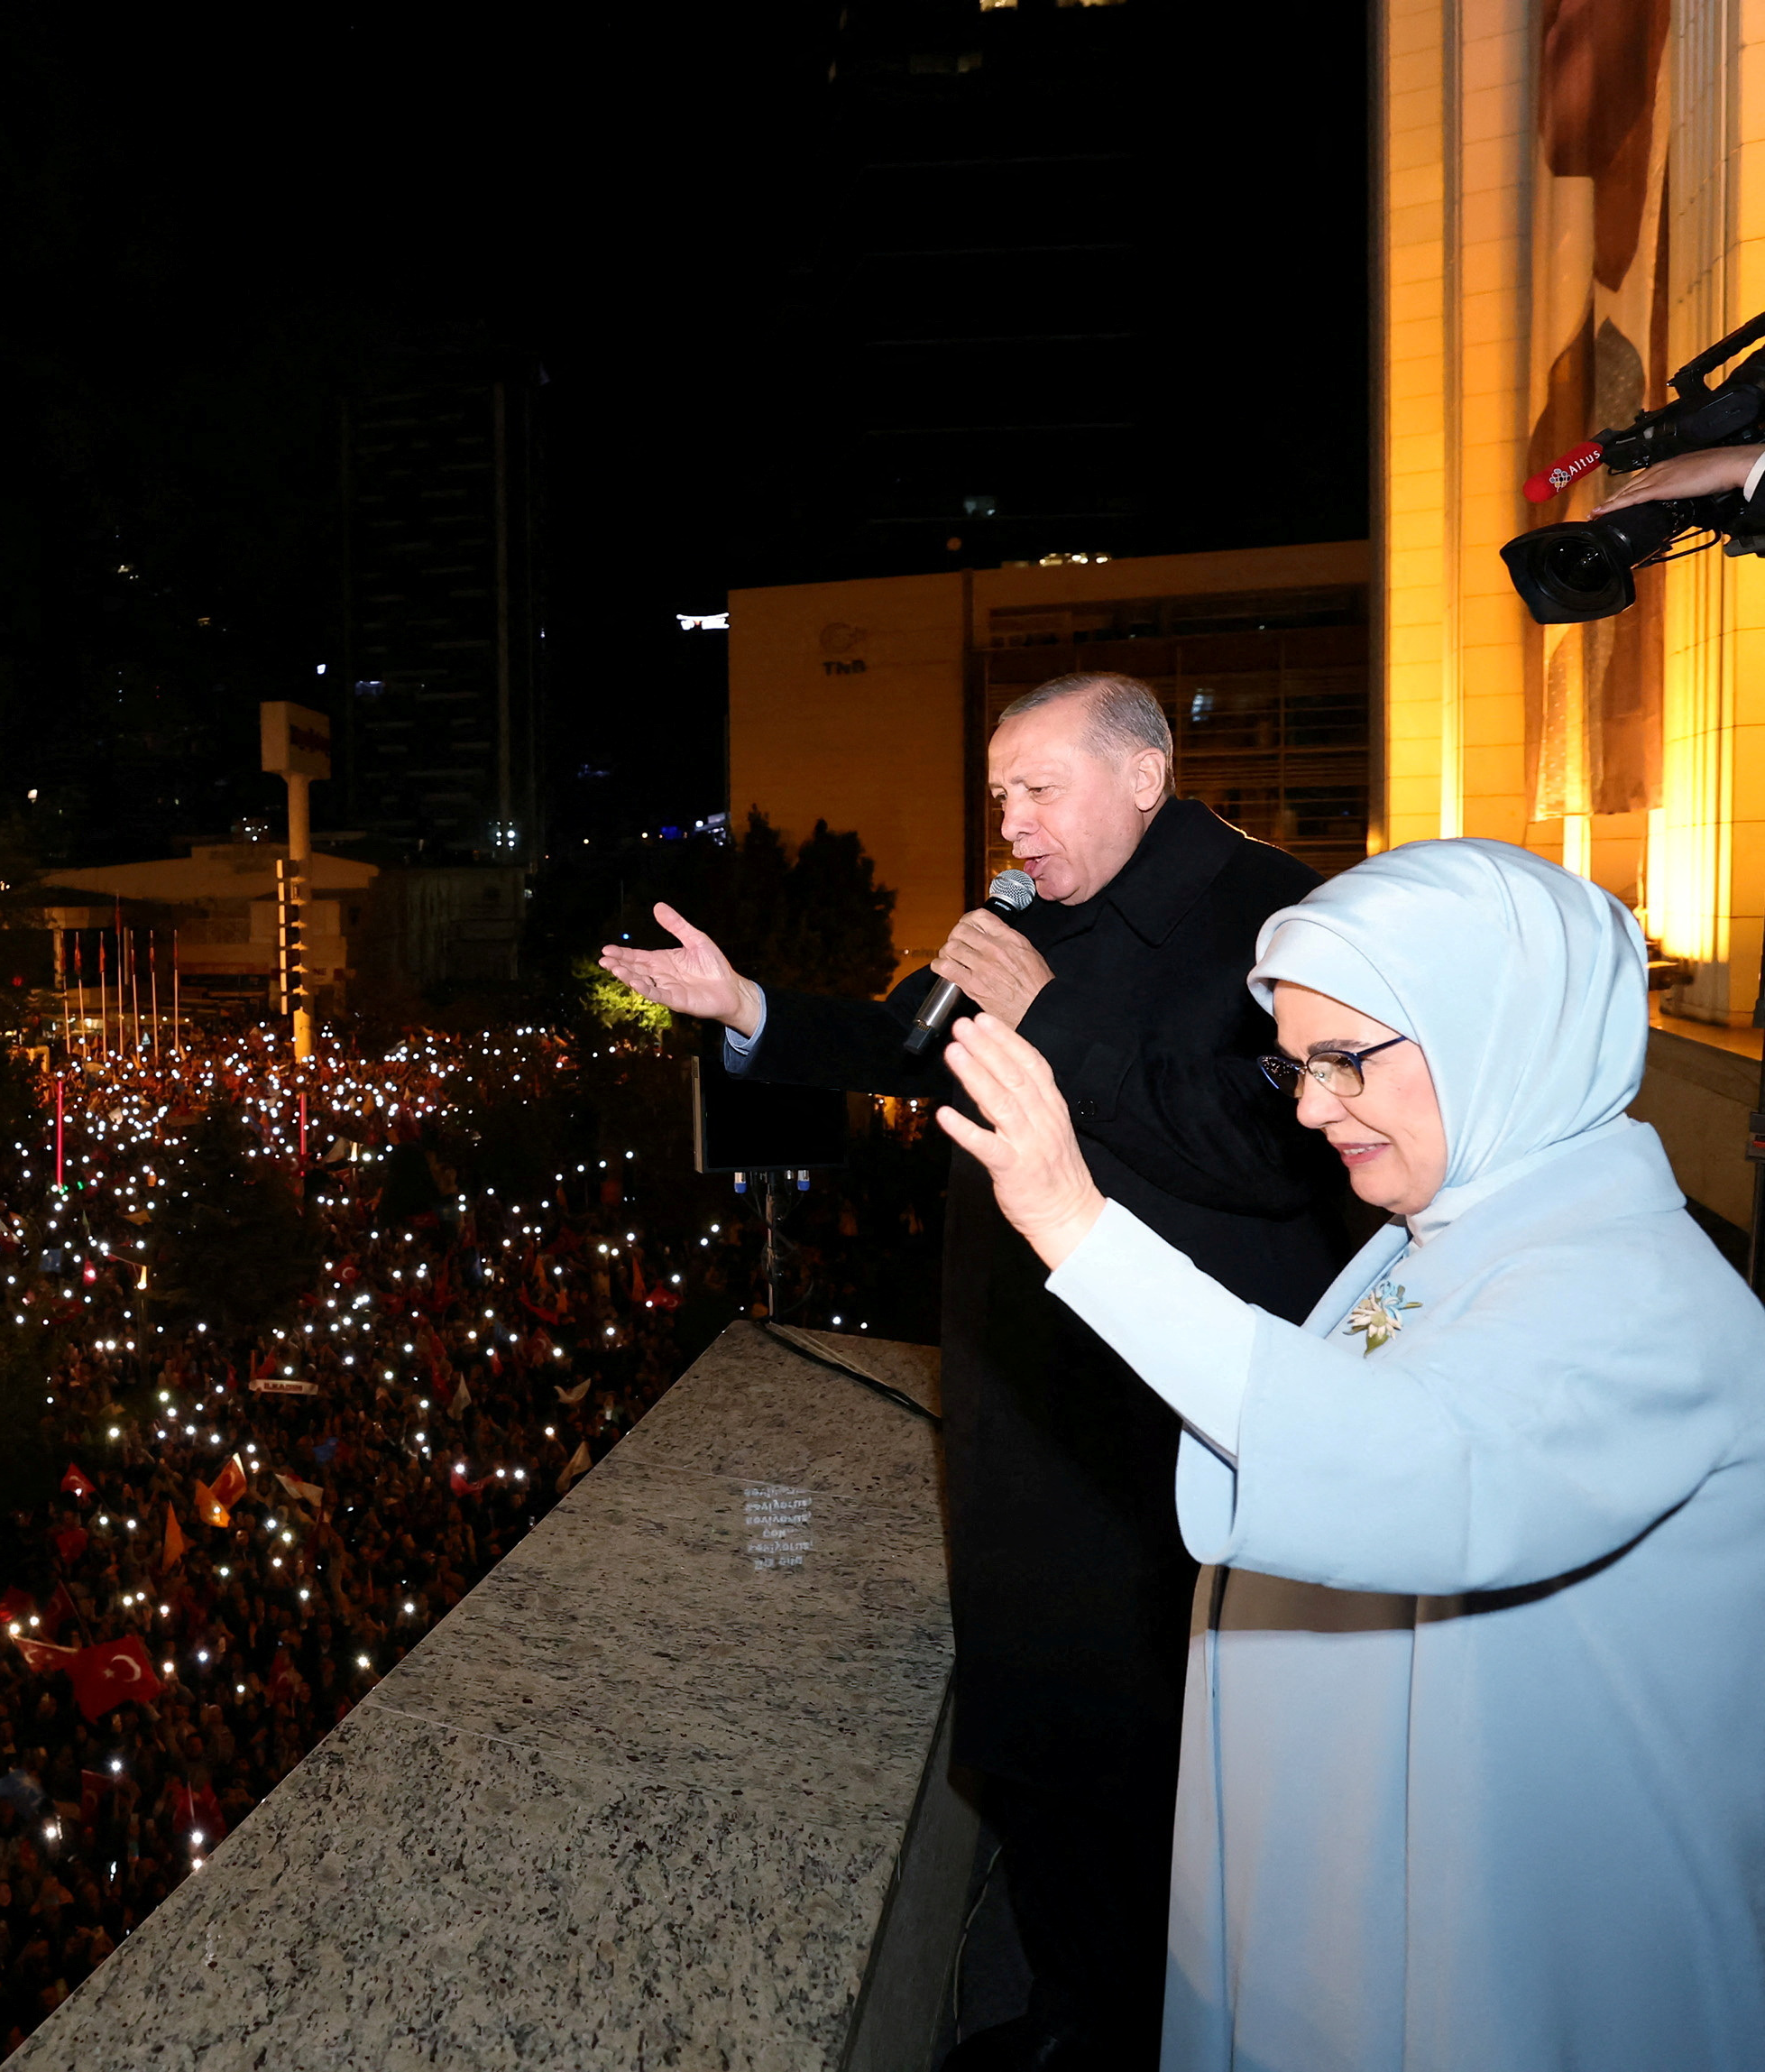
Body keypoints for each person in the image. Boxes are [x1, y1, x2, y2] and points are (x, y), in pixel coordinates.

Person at [601, 673, 1355, 2070]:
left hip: (1166, 1429)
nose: (1009, 823)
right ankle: (1078, 2010)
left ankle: (1165, 2028)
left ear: (1145, 776)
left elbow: (1269, 1152)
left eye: (1038, 788)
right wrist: (745, 1003)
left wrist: (1049, 1017)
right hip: (1016, 1393)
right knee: (1043, 1733)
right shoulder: (1019, 916)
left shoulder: (1275, 915)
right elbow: (909, 1046)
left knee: (1161, 1761)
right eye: (1000, 792)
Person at [936, 837, 1765, 2071]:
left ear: (1500, 1031)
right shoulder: (1438, 1232)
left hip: (1509, 1943)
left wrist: (1080, 1227)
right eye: (1296, 1066)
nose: (1314, 1106)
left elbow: (1416, 1468)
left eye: (1346, 1061)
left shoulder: (1633, 1283)